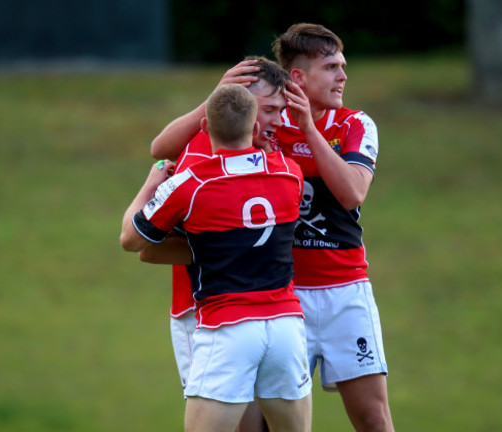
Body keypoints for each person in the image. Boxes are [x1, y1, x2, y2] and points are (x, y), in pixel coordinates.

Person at [120, 84, 312, 432]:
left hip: (228, 328)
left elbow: (131, 241)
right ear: (255, 129)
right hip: (286, 326)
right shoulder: (289, 172)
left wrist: (149, 186)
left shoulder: (190, 185)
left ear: (205, 128)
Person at [271, 23, 395, 432]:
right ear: (297, 77)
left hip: (346, 294)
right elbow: (163, 149)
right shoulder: (265, 126)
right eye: (331, 67)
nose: (343, 76)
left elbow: (353, 193)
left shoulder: (356, 124)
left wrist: (309, 129)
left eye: (343, 66)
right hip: (283, 298)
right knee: (267, 425)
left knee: (373, 419)